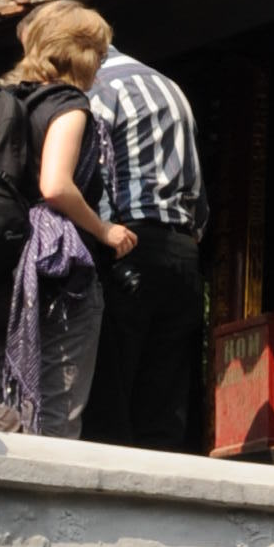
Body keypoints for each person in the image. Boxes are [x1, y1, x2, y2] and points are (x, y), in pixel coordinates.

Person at [0, 2, 133, 436]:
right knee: (58, 404)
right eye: (98, 53)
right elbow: (55, 185)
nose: (101, 63)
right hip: (55, 273)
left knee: (1, 400)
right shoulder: (68, 104)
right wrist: (105, 230)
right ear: (81, 55)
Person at [83, 24, 206, 452]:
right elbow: (195, 180)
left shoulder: (100, 87)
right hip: (183, 247)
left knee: (115, 384)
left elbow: (94, 171)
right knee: (166, 389)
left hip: (128, 240)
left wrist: (98, 235)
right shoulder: (168, 86)